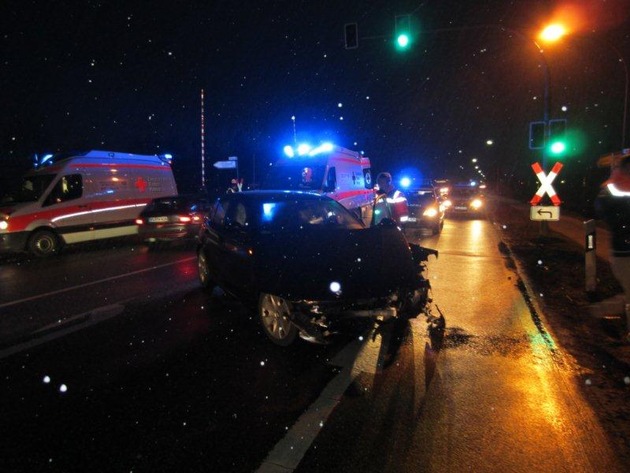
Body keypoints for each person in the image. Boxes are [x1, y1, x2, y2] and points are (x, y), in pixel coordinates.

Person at [595, 149, 630, 343]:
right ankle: (596, 312)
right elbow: (609, 213)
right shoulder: (613, 189)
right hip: (624, 252)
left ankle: (596, 312)